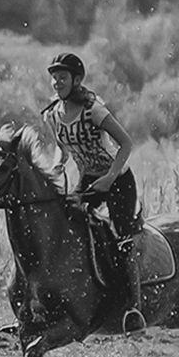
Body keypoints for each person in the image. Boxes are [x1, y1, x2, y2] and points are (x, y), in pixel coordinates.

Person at [42, 51, 146, 333]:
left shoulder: (93, 109)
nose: (57, 82)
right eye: (54, 77)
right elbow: (62, 146)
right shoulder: (52, 114)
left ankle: (133, 308)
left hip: (118, 181)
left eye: (62, 77)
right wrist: (57, 166)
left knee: (122, 238)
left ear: (76, 80)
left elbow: (125, 143)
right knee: (64, 230)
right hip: (89, 179)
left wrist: (110, 177)